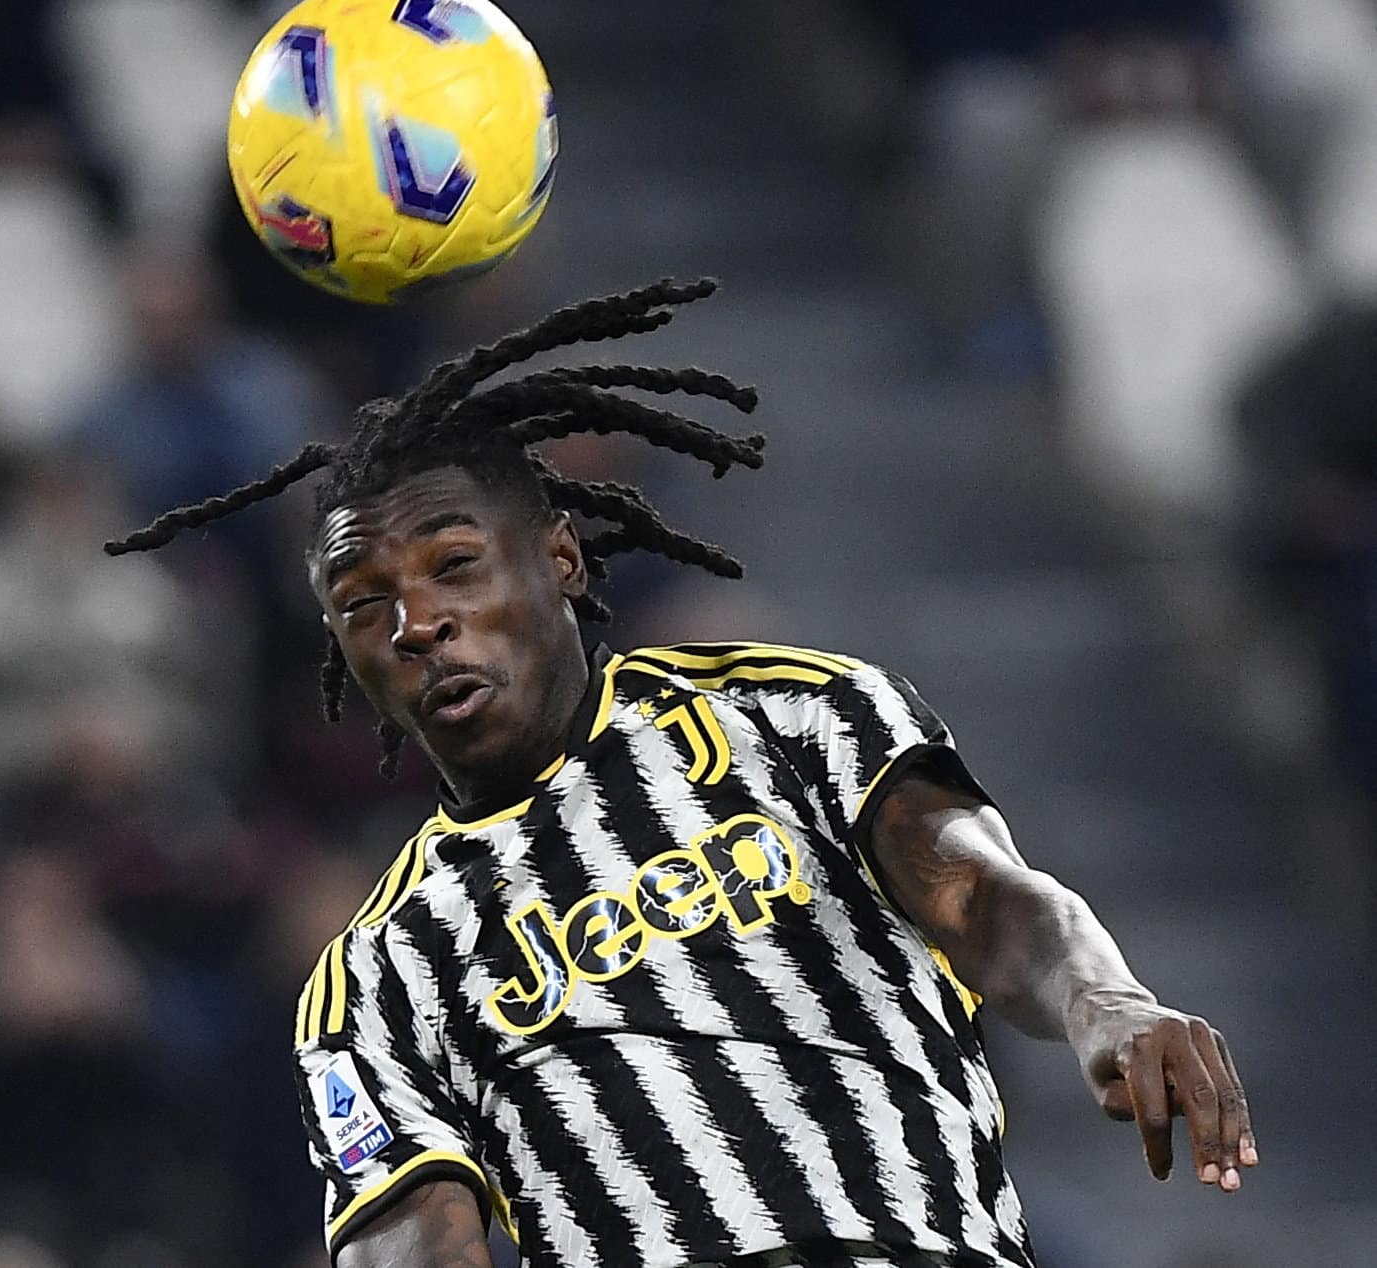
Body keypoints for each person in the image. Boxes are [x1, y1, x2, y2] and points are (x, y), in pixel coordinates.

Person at [104, 280, 1257, 1268]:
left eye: (454, 566)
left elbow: (982, 894)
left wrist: (1106, 1000)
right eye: (366, 604)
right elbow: (408, 1240)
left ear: (561, 557)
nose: (419, 624)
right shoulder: (380, 972)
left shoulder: (793, 716)